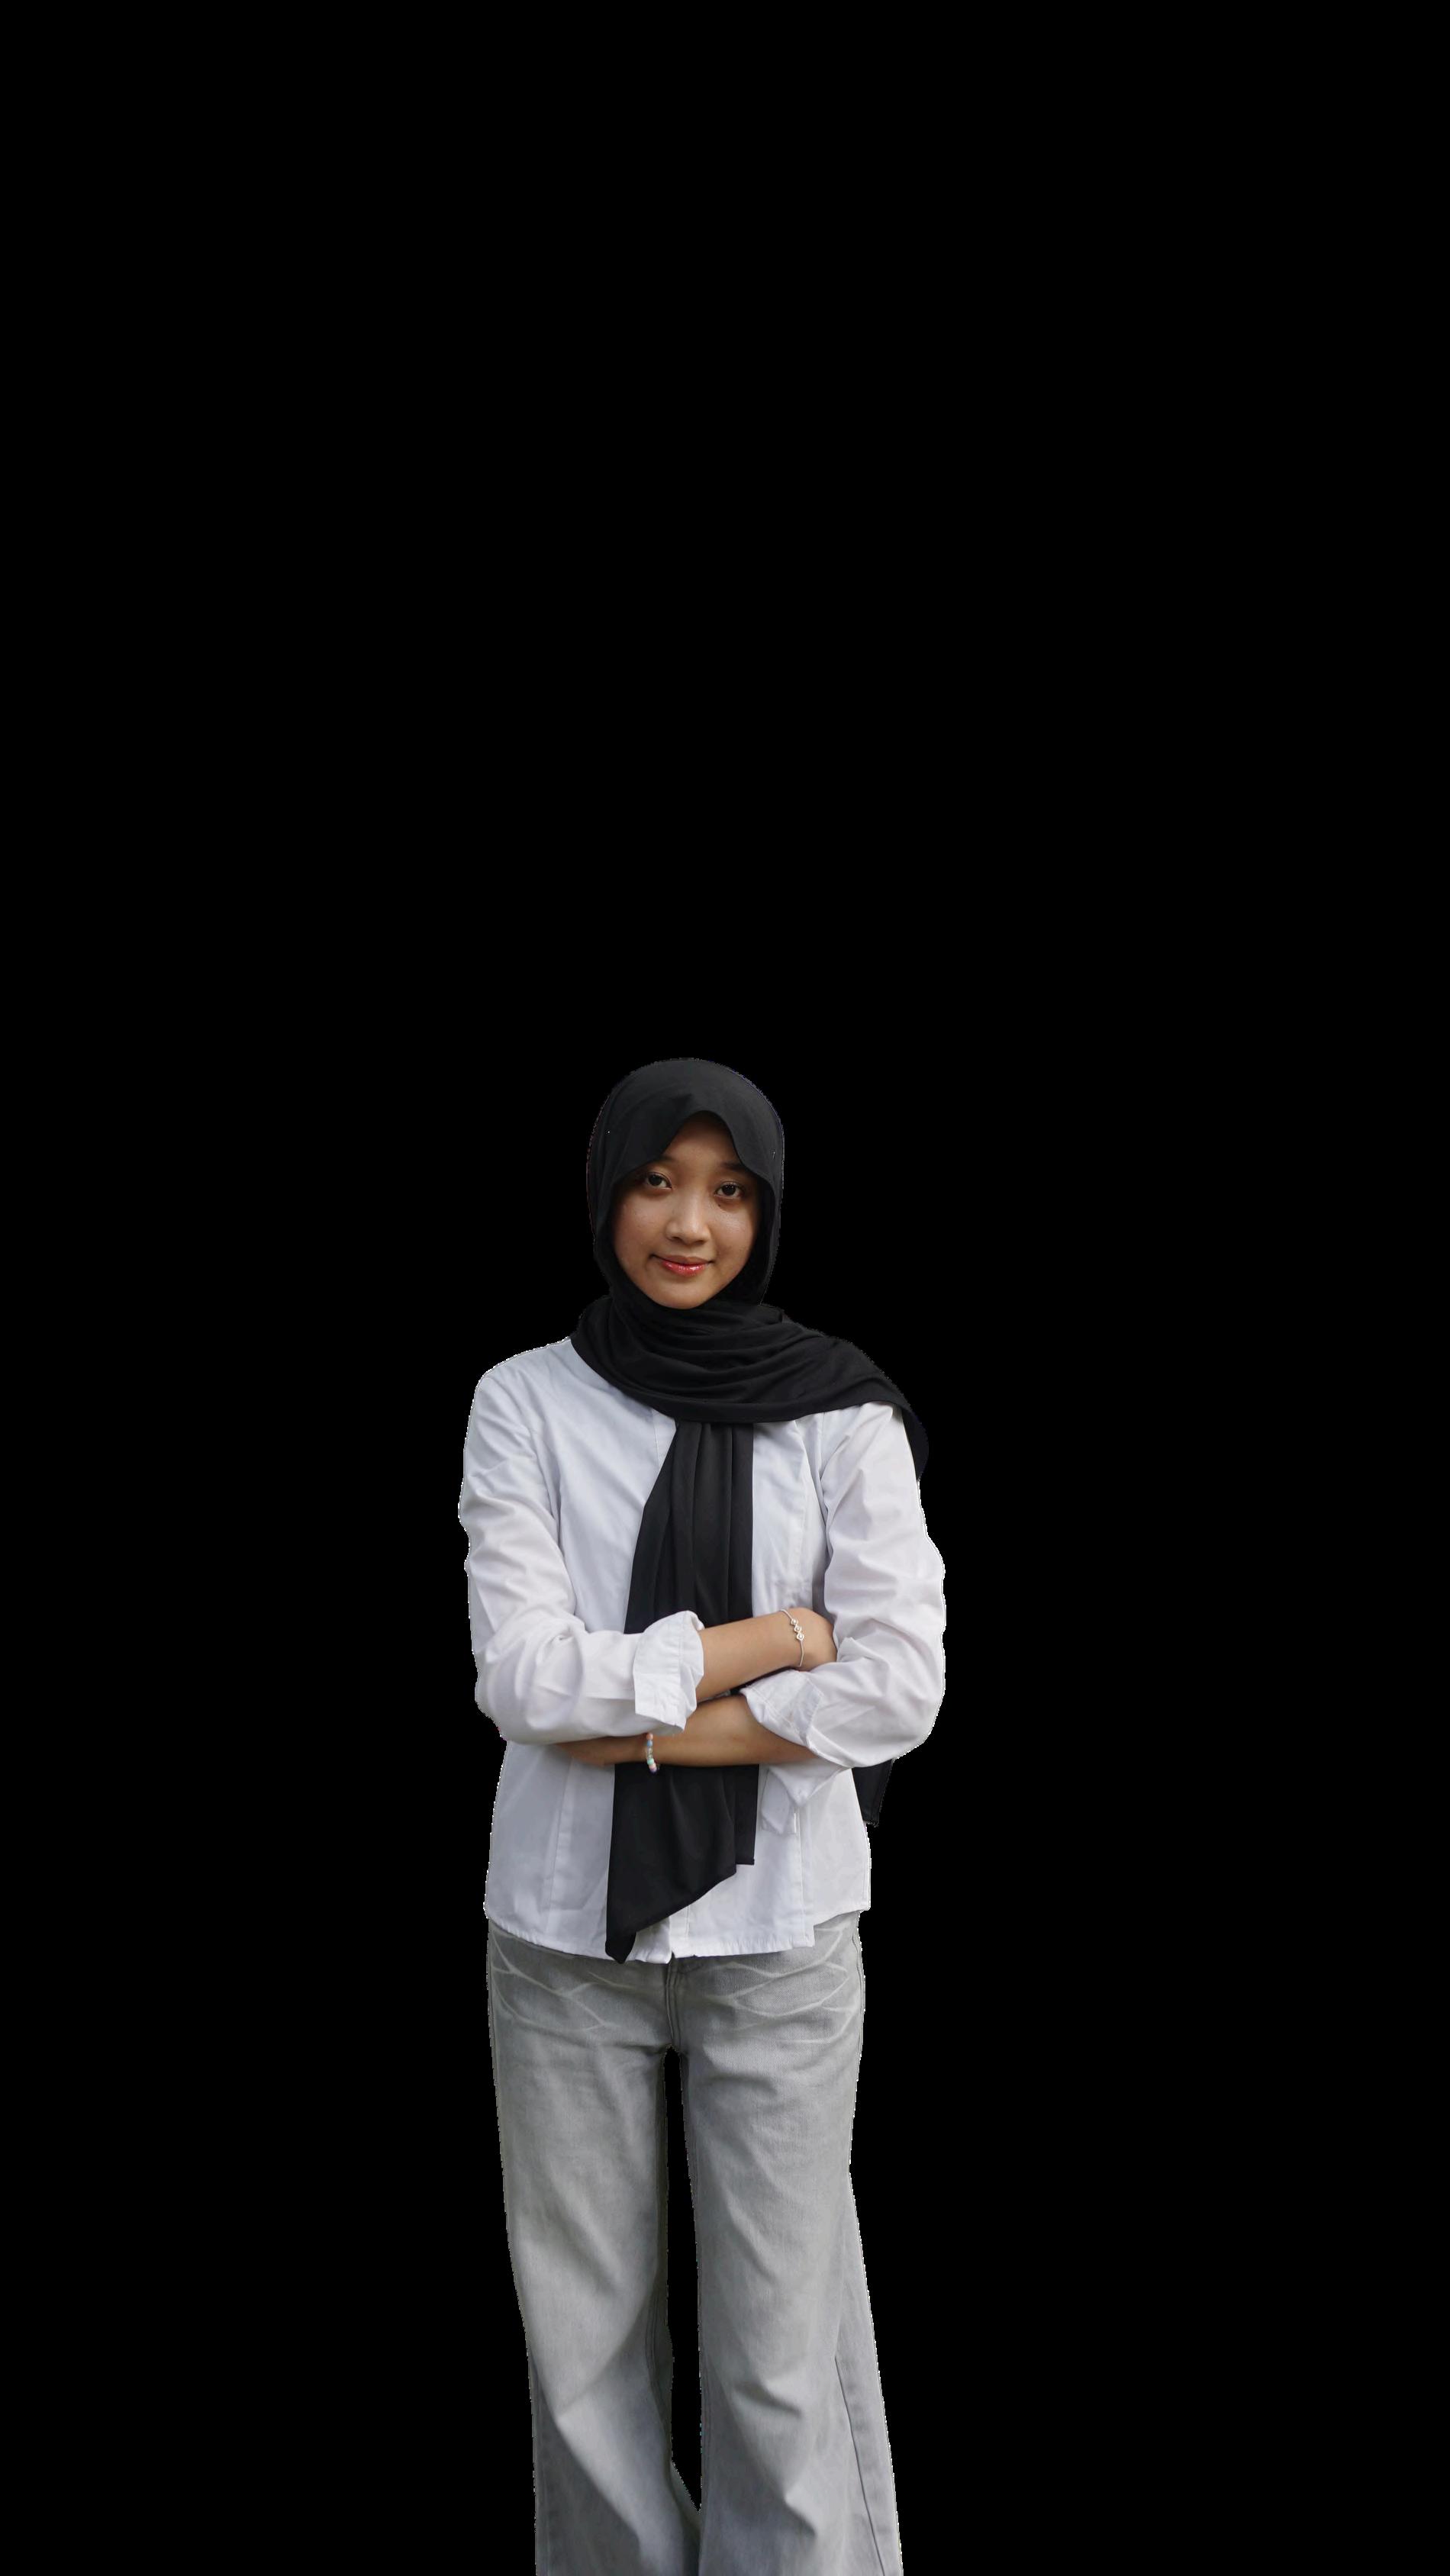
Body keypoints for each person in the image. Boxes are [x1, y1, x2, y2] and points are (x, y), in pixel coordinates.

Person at [461, 1057, 946, 2574]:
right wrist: (778, 1640)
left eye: (728, 1190)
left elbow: (903, 1684)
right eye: (657, 1182)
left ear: (767, 1209)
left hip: (780, 1934)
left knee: (779, 2356)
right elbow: (522, 1677)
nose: (690, 1222)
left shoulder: (840, 1411)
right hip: (562, 1940)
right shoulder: (524, 1400)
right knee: (582, 2357)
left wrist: (647, 1729)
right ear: (606, 1192)